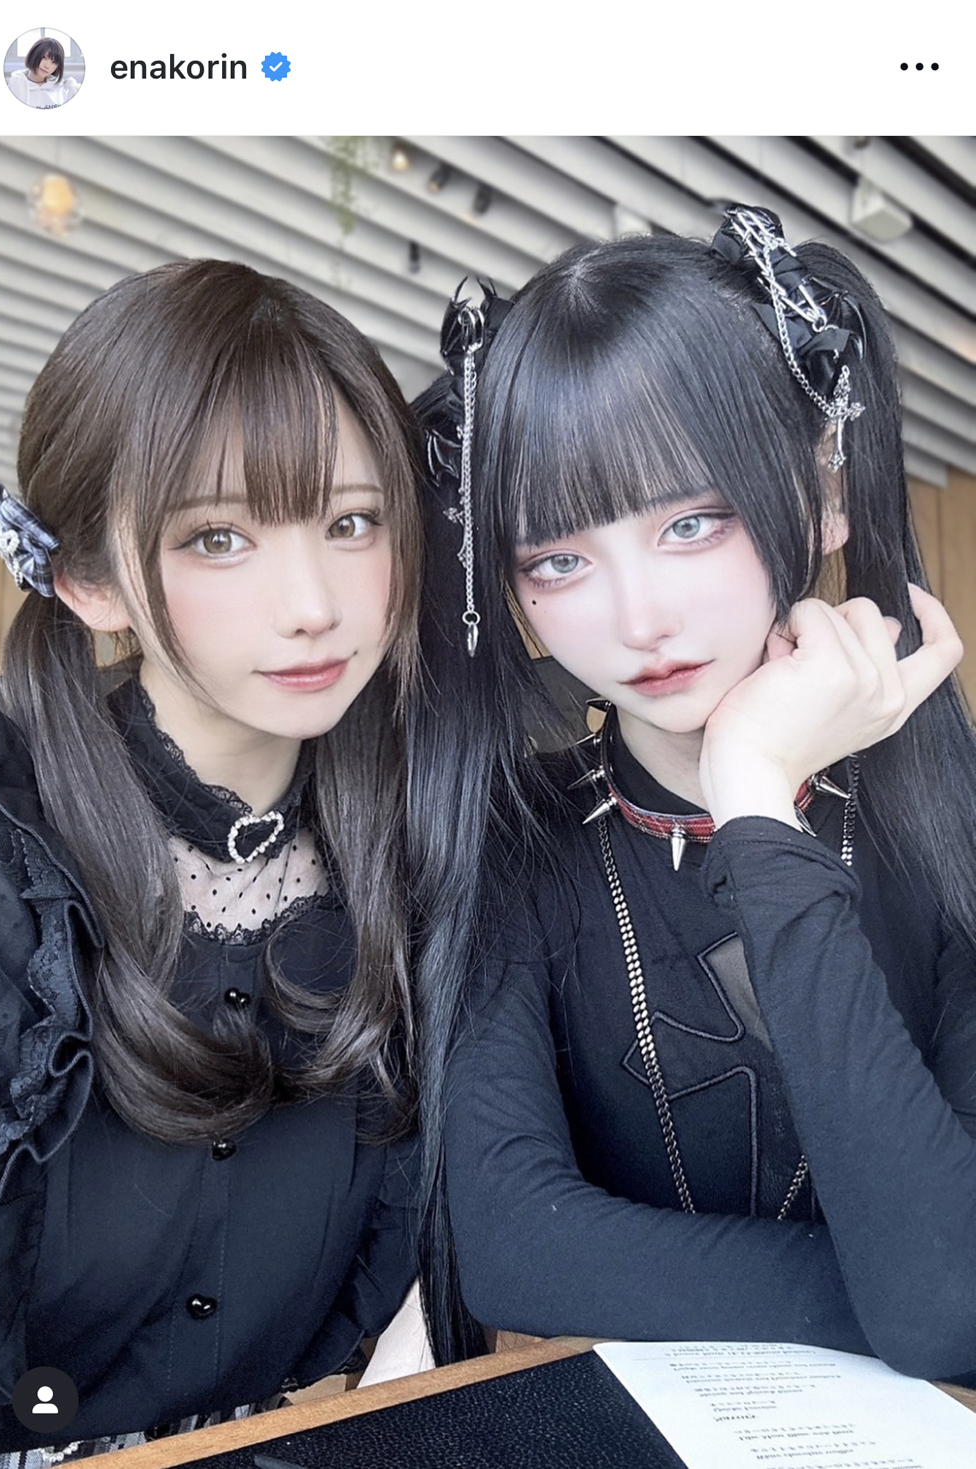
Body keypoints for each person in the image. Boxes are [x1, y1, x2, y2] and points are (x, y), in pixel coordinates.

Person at [411, 207, 976, 1382]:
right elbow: (510, 1248)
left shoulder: (946, 825)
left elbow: (948, 1308)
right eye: (558, 558)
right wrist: (888, 1281)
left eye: (691, 521)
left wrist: (755, 798)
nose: (637, 620)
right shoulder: (512, 836)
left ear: (822, 494)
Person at [0, 259, 422, 1456]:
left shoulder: (428, 835)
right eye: (219, 537)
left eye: (351, 521)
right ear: (90, 580)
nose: (313, 603)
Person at [6, 37, 80, 108]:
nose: (47, 66)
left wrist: (72, 87)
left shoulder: (60, 87)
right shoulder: (17, 85)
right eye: (44, 57)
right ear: (33, 55)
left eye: (54, 62)